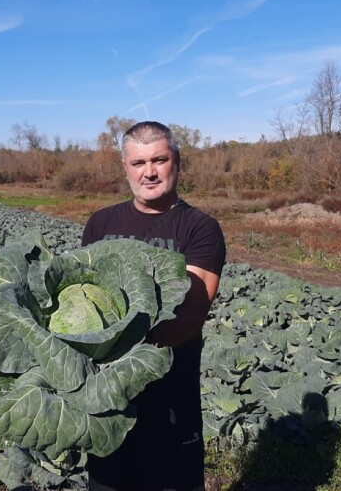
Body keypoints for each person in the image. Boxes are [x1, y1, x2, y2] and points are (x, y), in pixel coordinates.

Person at [82, 121, 226, 491]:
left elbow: (189, 318)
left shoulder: (199, 228)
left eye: (159, 160)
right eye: (138, 162)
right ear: (125, 167)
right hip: (106, 402)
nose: (149, 172)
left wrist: (113, 351)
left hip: (169, 403)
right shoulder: (100, 223)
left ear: (176, 161)